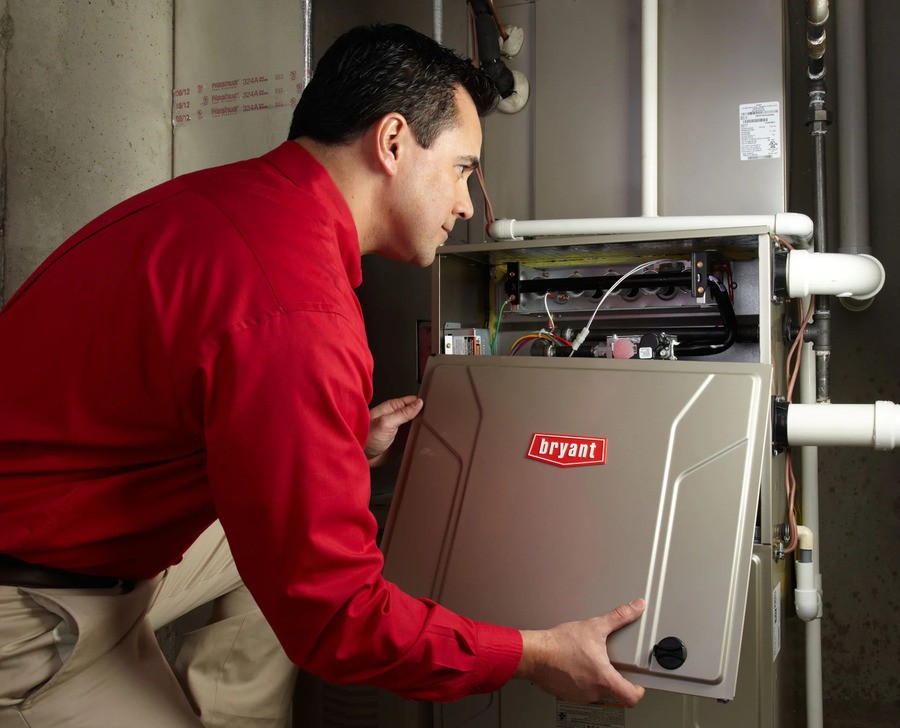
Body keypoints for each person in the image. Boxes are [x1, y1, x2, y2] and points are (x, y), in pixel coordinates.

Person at [0, 23, 646, 727]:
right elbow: (338, 618)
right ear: (393, 142)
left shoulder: (226, 202)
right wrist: (530, 653)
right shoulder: (295, 307)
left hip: (76, 536)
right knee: (316, 579)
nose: (467, 205)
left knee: (274, 552)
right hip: (35, 619)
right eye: (462, 168)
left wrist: (326, 446)